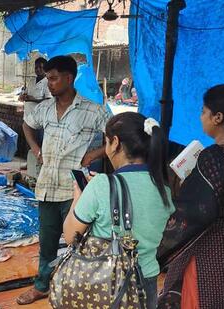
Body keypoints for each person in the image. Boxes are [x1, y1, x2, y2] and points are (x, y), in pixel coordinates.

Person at [16, 55, 111, 305]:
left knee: (79, 242)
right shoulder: (44, 108)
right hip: (47, 187)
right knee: (47, 243)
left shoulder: (93, 110)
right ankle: (41, 286)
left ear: (69, 78)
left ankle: (77, 288)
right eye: (48, 78)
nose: (49, 83)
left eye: (54, 78)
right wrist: (36, 150)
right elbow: (26, 125)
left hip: (74, 190)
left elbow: (115, 136)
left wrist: (94, 153)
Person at [62, 112, 175, 308]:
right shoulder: (164, 190)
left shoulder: (101, 185)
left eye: (106, 142)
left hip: (106, 278)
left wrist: (78, 198)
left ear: (115, 143)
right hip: (146, 280)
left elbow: (71, 236)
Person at [159, 84, 224, 308]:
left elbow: (195, 213)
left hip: (209, 257)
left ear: (218, 117)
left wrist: (160, 251)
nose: (201, 116)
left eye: (203, 111)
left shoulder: (216, 157)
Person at [19, 57, 52, 179]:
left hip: (39, 120)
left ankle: (40, 167)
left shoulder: (47, 82)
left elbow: (49, 100)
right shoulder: (32, 81)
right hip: (28, 117)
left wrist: (32, 99)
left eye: (41, 67)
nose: (38, 69)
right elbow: (26, 94)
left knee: (38, 143)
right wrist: (23, 96)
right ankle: (30, 163)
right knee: (30, 142)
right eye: (36, 67)